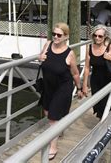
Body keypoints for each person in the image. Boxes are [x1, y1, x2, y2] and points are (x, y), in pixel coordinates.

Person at [38, 23, 81, 160]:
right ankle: (59, 129)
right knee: (47, 111)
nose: (55, 37)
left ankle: (53, 147)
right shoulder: (48, 44)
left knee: (52, 117)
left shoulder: (70, 54)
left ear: (66, 37)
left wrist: (80, 88)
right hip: (48, 85)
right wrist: (40, 58)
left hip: (63, 87)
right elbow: (41, 57)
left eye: (59, 35)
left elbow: (75, 73)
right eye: (54, 34)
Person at [81, 25, 111, 119]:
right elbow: (87, 67)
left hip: (108, 79)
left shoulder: (110, 46)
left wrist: (110, 57)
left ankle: (105, 125)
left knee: (107, 104)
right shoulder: (90, 47)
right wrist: (84, 84)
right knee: (98, 104)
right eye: (95, 35)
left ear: (105, 37)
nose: (97, 38)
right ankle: (102, 122)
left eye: (100, 36)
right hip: (95, 80)